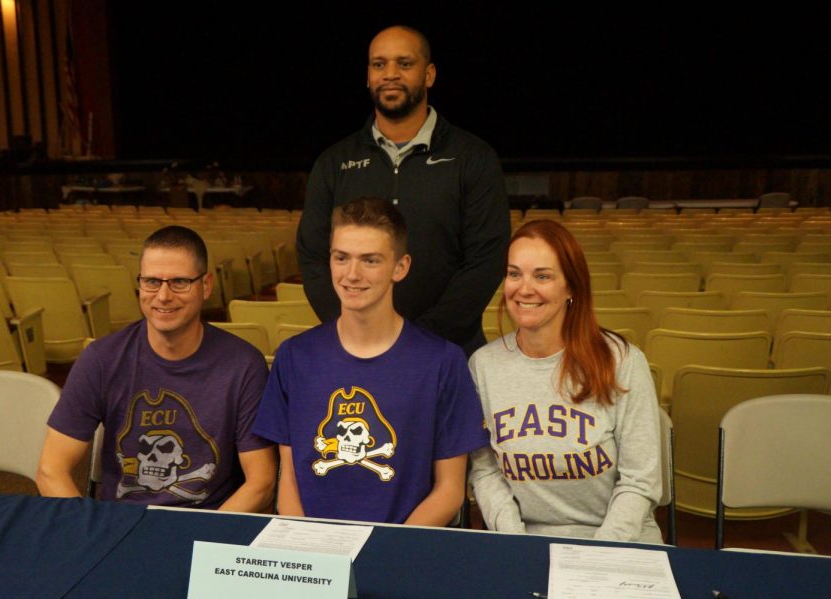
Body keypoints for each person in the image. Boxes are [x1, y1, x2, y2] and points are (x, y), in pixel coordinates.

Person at [254, 197, 488, 525]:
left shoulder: (442, 362)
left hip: (401, 552)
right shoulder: (294, 357)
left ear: (400, 267)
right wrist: (304, 549)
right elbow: (289, 477)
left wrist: (388, 552)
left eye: (370, 260)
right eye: (341, 258)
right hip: (313, 556)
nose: (352, 274)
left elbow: (449, 489)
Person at [297, 25, 510, 356]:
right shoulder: (334, 162)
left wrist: (420, 339)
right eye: (379, 64)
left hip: (451, 350)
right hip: (357, 350)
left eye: (404, 64)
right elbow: (312, 256)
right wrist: (359, 330)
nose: (390, 74)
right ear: (368, 76)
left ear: (429, 75)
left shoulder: (474, 158)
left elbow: (486, 260)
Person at [36, 225, 277, 511]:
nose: (163, 296)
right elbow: (51, 470)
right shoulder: (101, 359)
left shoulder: (243, 365)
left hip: (209, 525)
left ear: (206, 286)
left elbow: (261, 482)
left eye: (179, 282)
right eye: (151, 281)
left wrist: (201, 544)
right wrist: (91, 533)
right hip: (121, 525)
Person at [469, 220, 663, 543]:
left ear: (571, 287)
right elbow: (486, 470)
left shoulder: (623, 361)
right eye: (514, 273)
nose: (524, 288)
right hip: (525, 540)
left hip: (619, 541)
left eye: (542, 276)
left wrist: (596, 555)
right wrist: (515, 542)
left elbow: (640, 481)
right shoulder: (483, 366)